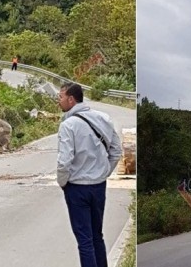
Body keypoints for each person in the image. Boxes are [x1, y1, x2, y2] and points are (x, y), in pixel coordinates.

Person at [56, 82, 122, 267]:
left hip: (77, 187)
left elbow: (64, 160)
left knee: (85, 241)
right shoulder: (103, 119)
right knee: (97, 236)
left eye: (60, 97)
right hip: (99, 187)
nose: (58, 101)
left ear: (71, 99)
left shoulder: (68, 125)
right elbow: (116, 151)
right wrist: (103, 173)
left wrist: (63, 182)